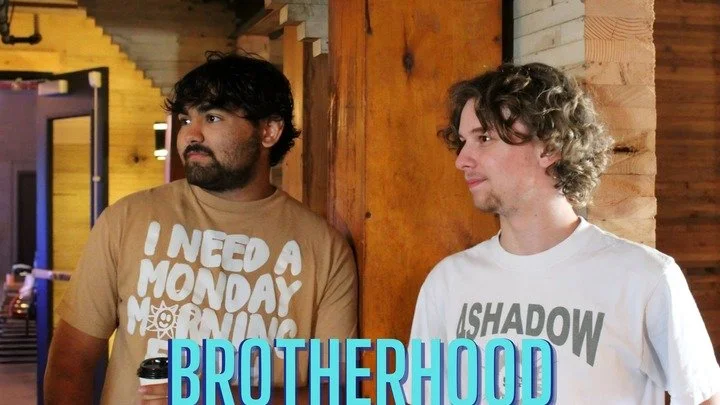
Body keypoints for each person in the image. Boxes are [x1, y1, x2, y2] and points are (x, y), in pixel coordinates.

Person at [44, 52, 358, 404]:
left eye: (212, 117)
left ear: (269, 130)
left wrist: (218, 397)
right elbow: (71, 363)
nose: (190, 135)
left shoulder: (324, 249)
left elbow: (337, 391)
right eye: (185, 119)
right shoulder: (127, 219)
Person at [404, 63, 720, 404]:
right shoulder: (448, 282)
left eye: (484, 138)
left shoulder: (645, 277)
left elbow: (703, 396)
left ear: (549, 148)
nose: (462, 160)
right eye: (463, 142)